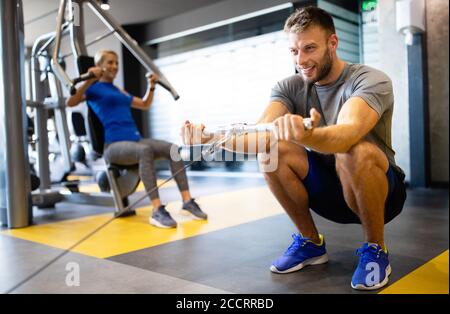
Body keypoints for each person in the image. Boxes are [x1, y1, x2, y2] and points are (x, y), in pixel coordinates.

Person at [182, 6, 406, 290]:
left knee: (355, 151)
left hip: (382, 195)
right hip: (329, 191)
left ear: (332, 43)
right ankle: (311, 243)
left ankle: (375, 248)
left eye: (309, 48)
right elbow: (260, 135)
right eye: (293, 51)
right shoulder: (289, 87)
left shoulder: (369, 80)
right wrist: (208, 139)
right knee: (272, 149)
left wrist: (305, 135)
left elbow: (347, 135)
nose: (301, 60)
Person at [67, 49, 207, 228]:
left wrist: (152, 86)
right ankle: (157, 210)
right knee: (145, 150)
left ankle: (187, 201)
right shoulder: (93, 89)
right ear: (99, 65)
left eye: (116, 63)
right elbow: (70, 102)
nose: (115, 66)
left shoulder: (118, 90)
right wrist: (88, 80)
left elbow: (144, 104)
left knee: (172, 149)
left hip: (135, 141)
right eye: (110, 62)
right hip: (114, 146)